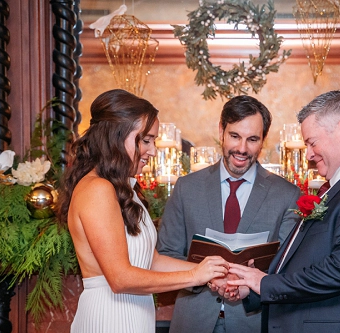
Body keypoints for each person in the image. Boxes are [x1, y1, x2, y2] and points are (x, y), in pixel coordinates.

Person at [58, 89, 228, 333]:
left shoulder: (124, 190)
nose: (153, 150)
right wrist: (194, 276)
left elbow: (152, 261)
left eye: (154, 141)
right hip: (110, 318)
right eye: (146, 140)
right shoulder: (97, 188)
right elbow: (120, 278)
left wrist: (210, 270)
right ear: (117, 136)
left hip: (133, 315)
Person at [228, 90, 340, 333]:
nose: (308, 154)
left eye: (312, 142)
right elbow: (308, 260)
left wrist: (265, 283)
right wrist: (254, 285)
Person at [156, 95, 301, 333]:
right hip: (193, 321)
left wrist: (251, 282)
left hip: (254, 322)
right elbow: (165, 255)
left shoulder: (286, 194)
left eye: (252, 139)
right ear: (221, 130)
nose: (242, 149)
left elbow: (287, 266)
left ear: (263, 140)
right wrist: (205, 276)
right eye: (235, 136)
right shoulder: (187, 188)